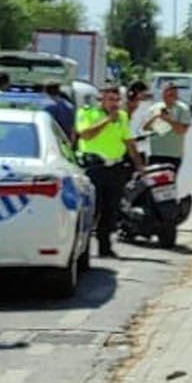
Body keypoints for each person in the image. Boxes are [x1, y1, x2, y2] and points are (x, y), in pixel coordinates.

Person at [71, 82, 137, 258]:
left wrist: (139, 164)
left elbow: (128, 141)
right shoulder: (87, 113)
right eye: (110, 99)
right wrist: (107, 120)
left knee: (111, 209)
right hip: (94, 168)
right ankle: (83, 250)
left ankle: (105, 246)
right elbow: (85, 134)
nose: (114, 103)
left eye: (116, 99)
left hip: (115, 167)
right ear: (100, 100)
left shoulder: (122, 116)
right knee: (92, 209)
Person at [136, 77, 192, 169]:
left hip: (173, 155)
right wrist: (156, 117)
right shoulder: (154, 108)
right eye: (167, 92)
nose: (169, 95)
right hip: (155, 153)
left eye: (172, 94)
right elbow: (144, 128)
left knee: (169, 181)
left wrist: (169, 120)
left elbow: (181, 131)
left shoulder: (183, 109)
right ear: (163, 93)